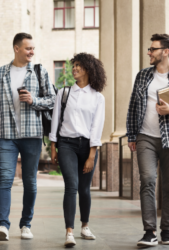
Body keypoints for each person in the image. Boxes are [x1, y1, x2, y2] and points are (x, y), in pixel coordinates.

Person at [0, 33, 56, 241]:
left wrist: (34, 100)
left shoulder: (39, 71)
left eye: (33, 48)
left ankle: (26, 224)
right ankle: (3, 225)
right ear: (16, 48)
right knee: (5, 179)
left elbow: (52, 100)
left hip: (32, 135)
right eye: (28, 48)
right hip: (6, 135)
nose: (32, 52)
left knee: (30, 182)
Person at [126, 34, 169, 247]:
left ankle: (166, 229)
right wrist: (131, 135)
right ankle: (149, 231)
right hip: (145, 136)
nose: (149, 52)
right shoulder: (143, 76)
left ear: (165, 51)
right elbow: (133, 106)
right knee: (147, 180)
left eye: (153, 49)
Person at [50, 53, 106, 247]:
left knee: (84, 188)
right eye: (73, 65)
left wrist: (92, 155)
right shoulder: (64, 93)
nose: (74, 68)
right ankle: (69, 232)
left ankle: (85, 226)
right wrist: (53, 147)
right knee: (71, 186)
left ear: (89, 70)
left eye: (79, 66)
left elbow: (97, 127)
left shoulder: (98, 97)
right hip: (66, 144)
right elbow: (55, 121)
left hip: (88, 147)